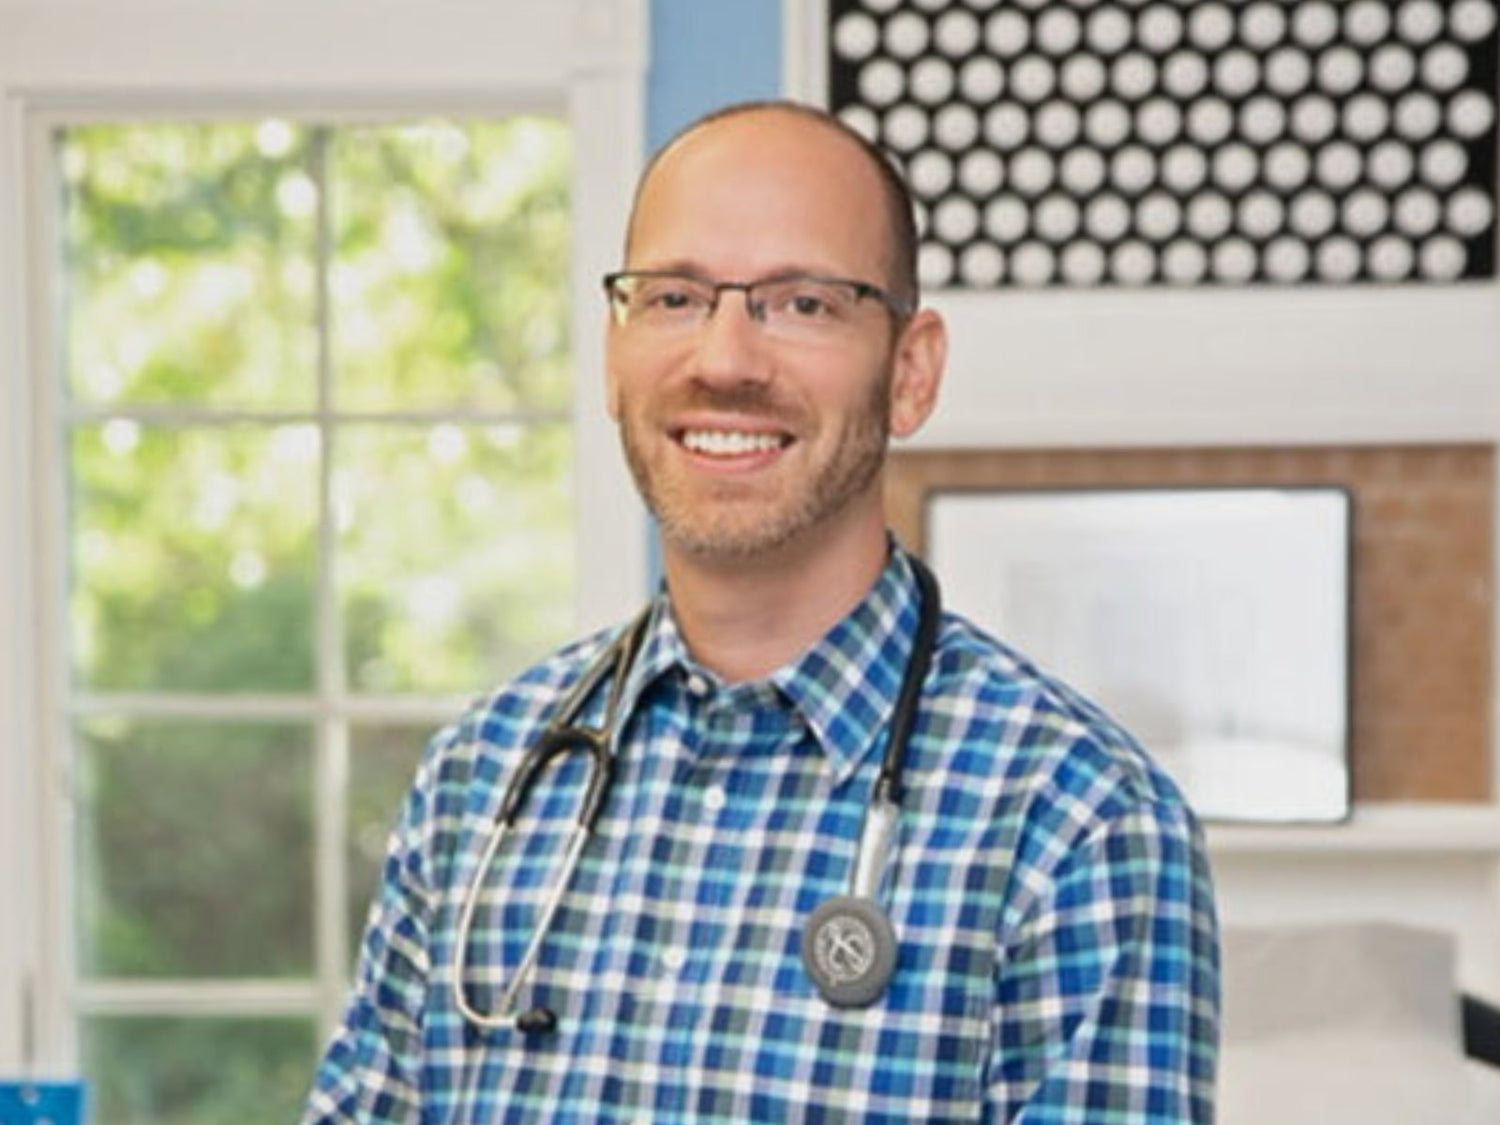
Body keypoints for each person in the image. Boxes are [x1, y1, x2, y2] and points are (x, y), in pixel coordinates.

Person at [303, 99, 1219, 1124]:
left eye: (804, 303)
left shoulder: (1078, 824)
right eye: (674, 298)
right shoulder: (482, 777)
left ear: (909, 373)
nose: (726, 360)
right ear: (614, 354)